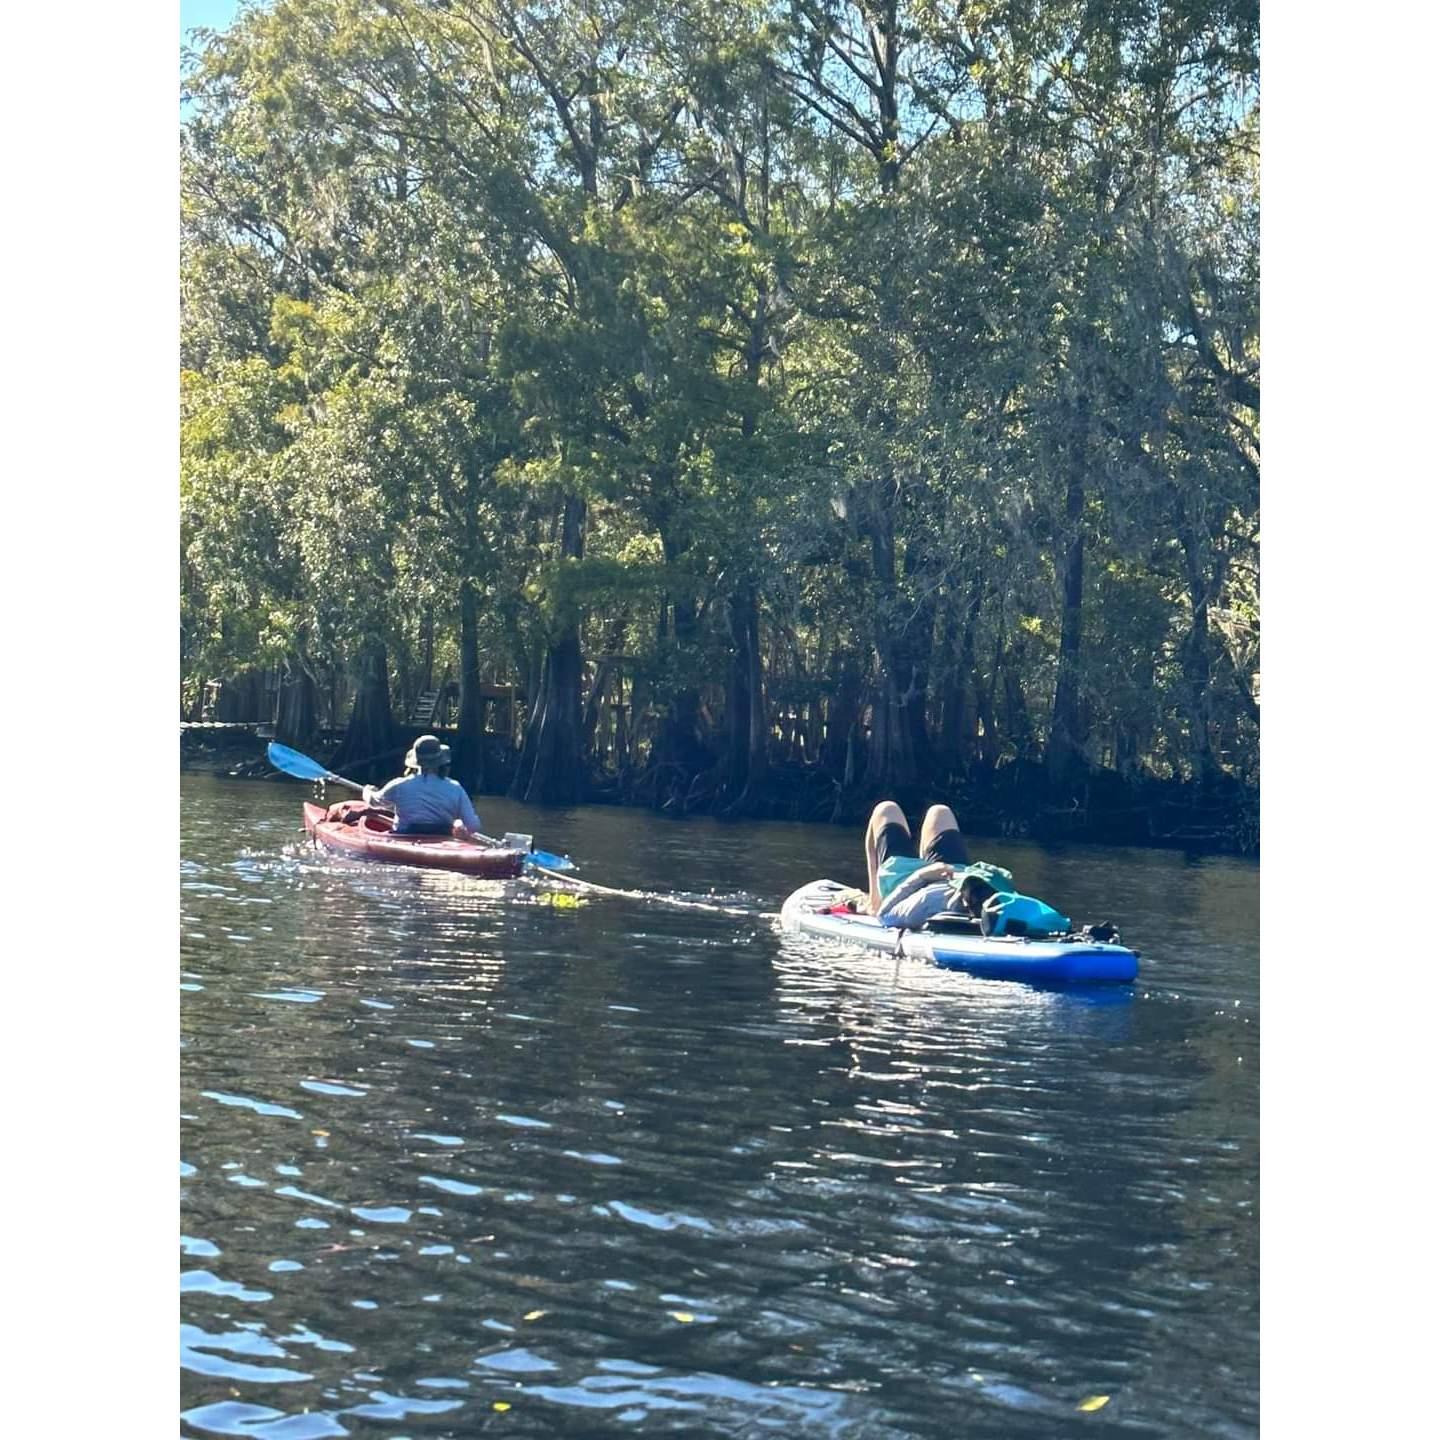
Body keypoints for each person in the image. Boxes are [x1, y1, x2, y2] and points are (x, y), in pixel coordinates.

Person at [361, 734, 483, 839]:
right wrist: (459, 824)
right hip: (442, 839)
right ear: (440, 761)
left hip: (404, 838)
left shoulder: (399, 785)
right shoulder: (455, 788)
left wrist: (367, 791)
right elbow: (473, 826)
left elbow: (374, 802)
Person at [863, 801, 971, 914]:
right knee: (940, 811)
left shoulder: (902, 914)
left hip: (906, 885)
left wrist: (924, 875)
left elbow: (885, 913)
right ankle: (925, 865)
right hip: (954, 877)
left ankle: (874, 903)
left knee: (886, 809)